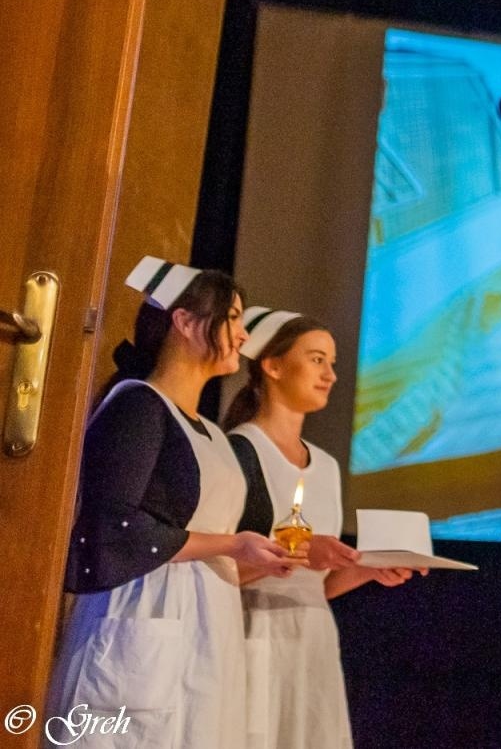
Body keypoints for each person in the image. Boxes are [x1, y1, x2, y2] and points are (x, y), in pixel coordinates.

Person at [49, 257, 305, 748]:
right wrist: (231, 544)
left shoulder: (214, 434)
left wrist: (262, 559)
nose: (243, 335)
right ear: (184, 322)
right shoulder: (137, 406)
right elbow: (112, 528)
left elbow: (218, 552)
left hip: (209, 626)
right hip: (145, 612)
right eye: (232, 318)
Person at [224, 309, 420, 749]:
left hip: (313, 645)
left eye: (331, 363)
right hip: (255, 636)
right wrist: (294, 552)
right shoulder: (240, 451)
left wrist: (368, 568)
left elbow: (318, 586)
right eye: (316, 360)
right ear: (272, 366)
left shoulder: (326, 467)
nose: (330, 375)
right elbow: (214, 568)